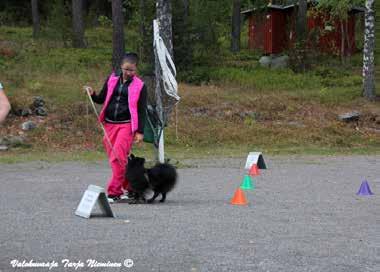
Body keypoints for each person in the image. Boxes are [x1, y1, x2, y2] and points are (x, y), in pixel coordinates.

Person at [84, 53, 147, 203]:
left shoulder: (140, 86)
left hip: (126, 125)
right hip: (109, 124)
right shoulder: (112, 79)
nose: (129, 73)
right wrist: (92, 94)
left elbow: (141, 110)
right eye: (126, 69)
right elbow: (101, 98)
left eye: (132, 70)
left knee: (117, 157)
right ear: (121, 67)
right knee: (118, 160)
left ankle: (114, 192)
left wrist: (140, 131)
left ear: (136, 69)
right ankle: (132, 188)